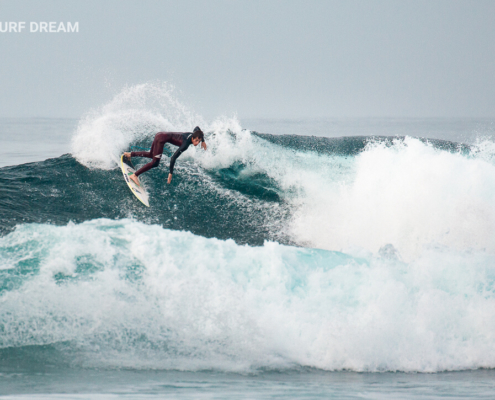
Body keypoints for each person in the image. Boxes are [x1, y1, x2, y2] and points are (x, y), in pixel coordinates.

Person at [124, 126, 207, 186]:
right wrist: (170, 173)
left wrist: (203, 141)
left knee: (150, 155)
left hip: (160, 134)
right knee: (155, 163)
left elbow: (197, 128)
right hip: (161, 139)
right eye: (196, 140)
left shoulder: (194, 133)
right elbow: (173, 157)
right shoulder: (185, 144)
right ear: (192, 137)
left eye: (198, 141)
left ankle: (130, 154)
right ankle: (134, 175)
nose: (196, 143)